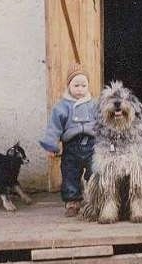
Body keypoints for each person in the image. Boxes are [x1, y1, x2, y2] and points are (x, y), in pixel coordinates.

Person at [40, 63, 97, 217]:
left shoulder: (94, 105)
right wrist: (51, 146)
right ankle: (72, 203)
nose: (80, 89)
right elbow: (54, 128)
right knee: (70, 174)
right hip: (72, 146)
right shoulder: (62, 107)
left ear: (88, 86)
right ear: (69, 85)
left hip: (92, 145)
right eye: (76, 85)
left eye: (83, 85)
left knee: (95, 173)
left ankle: (94, 201)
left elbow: (103, 124)